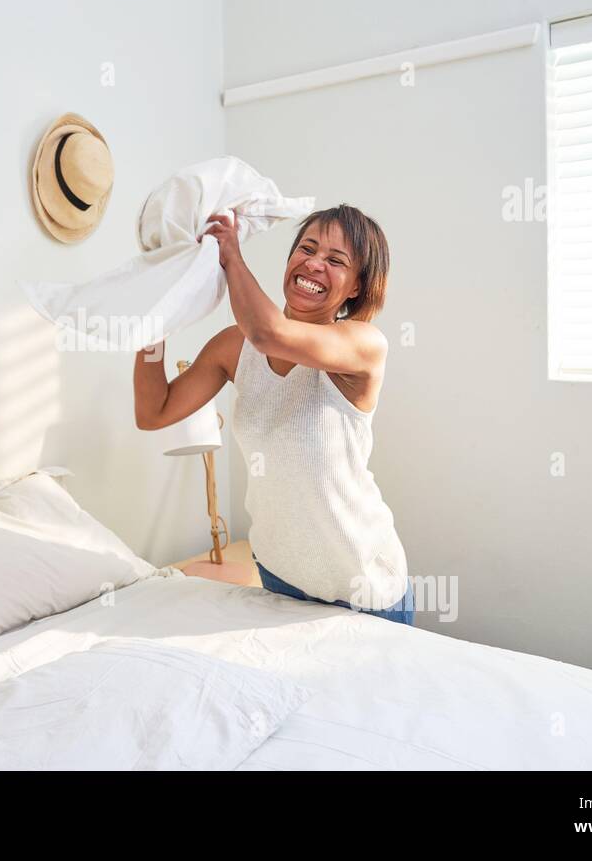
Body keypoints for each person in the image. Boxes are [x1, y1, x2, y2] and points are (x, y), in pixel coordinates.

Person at [134, 205, 413, 624]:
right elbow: (154, 412)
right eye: (307, 248)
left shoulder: (362, 344)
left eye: (336, 261)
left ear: (356, 287)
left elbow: (269, 334)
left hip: (363, 586)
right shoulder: (233, 347)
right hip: (280, 578)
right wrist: (154, 328)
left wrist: (230, 253)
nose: (314, 264)